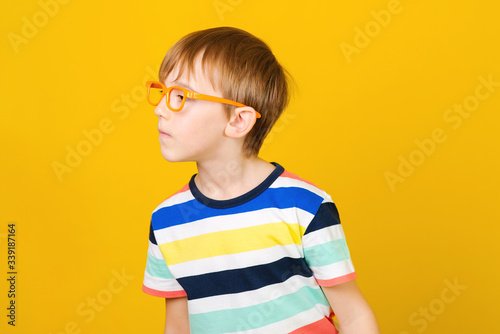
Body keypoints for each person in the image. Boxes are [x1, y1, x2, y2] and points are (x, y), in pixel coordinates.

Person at [142, 26, 380, 334]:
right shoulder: (166, 221)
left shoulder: (305, 206)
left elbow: (355, 316)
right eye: (162, 92)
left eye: (180, 96)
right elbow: (178, 326)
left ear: (238, 120)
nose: (160, 108)